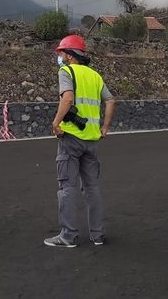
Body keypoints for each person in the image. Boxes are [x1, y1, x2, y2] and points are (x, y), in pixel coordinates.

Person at [45, 35, 116, 248]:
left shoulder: (67, 72)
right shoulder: (95, 75)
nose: (60, 56)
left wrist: (56, 122)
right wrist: (105, 127)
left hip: (71, 139)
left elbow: (67, 98)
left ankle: (68, 236)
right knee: (92, 187)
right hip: (92, 140)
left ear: (69, 55)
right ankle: (97, 235)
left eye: (61, 53)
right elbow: (110, 100)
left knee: (67, 187)